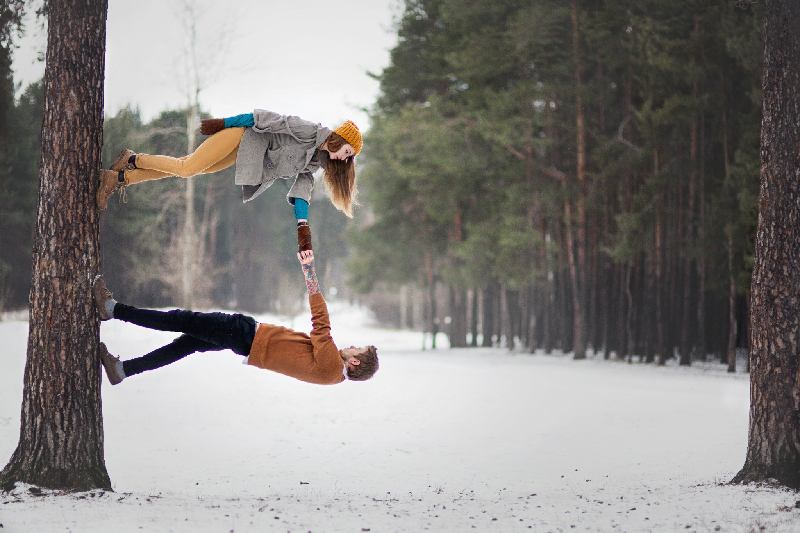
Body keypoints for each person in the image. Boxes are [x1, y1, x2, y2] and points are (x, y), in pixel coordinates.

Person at [93, 250, 378, 386]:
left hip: (246, 336)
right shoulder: (331, 375)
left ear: (354, 362)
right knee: (187, 343)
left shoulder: (331, 365)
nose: (352, 345)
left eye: (357, 349)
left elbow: (321, 324)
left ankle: (112, 310)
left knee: (179, 319)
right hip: (248, 341)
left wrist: (309, 271)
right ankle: (123, 371)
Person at [96, 110, 363, 251]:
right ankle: (132, 159)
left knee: (191, 170)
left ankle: (119, 177)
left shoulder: (315, 162)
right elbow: (268, 120)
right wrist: (225, 122)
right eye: (347, 152)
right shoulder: (310, 131)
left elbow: (303, 189)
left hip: (243, 156)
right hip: (241, 136)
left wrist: (302, 226)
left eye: (348, 158)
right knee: (188, 167)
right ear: (341, 139)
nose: (343, 159)